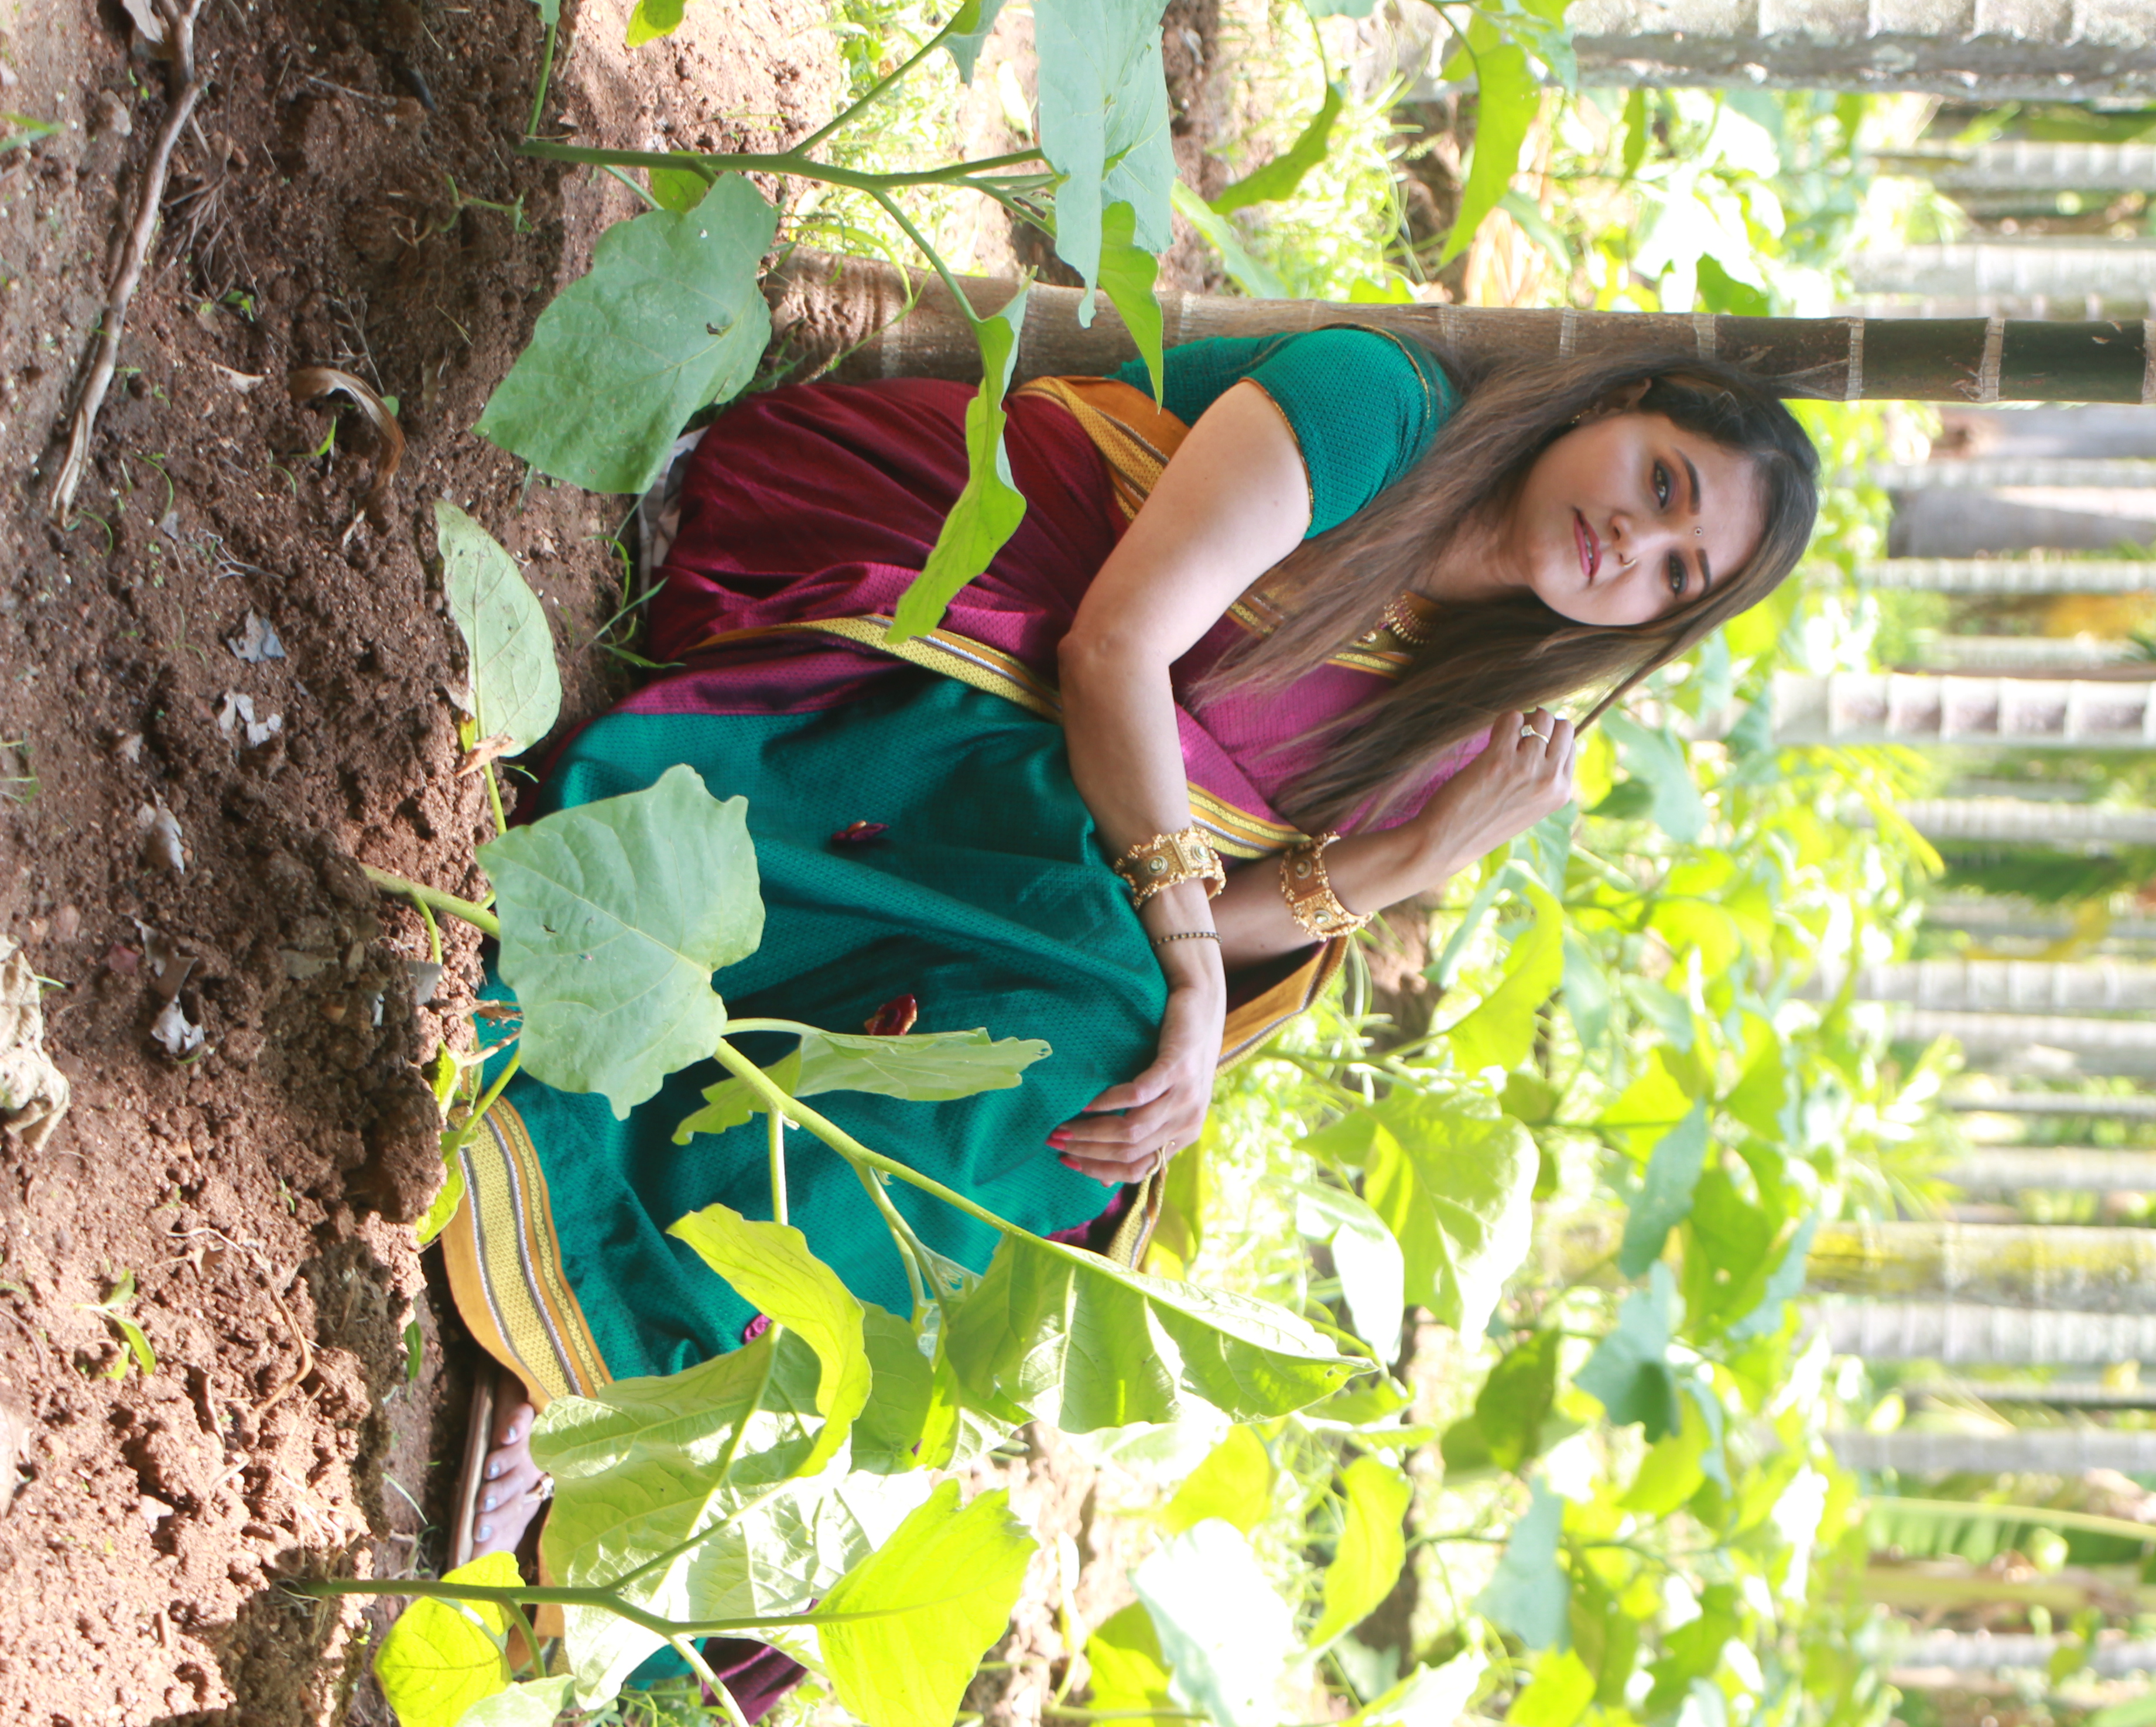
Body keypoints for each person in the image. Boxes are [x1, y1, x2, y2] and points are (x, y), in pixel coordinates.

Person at [441, 325, 1822, 1585]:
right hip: (932, 608)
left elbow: (1213, 918)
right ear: (1613, 401)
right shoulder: (1379, 410)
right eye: (1662, 483)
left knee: (1102, 1060)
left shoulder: (1474, 724)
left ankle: (652, 1343)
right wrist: (1191, 969)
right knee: (1123, 991)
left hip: (1051, 803)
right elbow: (1117, 644)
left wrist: (1412, 857)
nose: (1631, 544)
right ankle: (587, 1275)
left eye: (1675, 573)